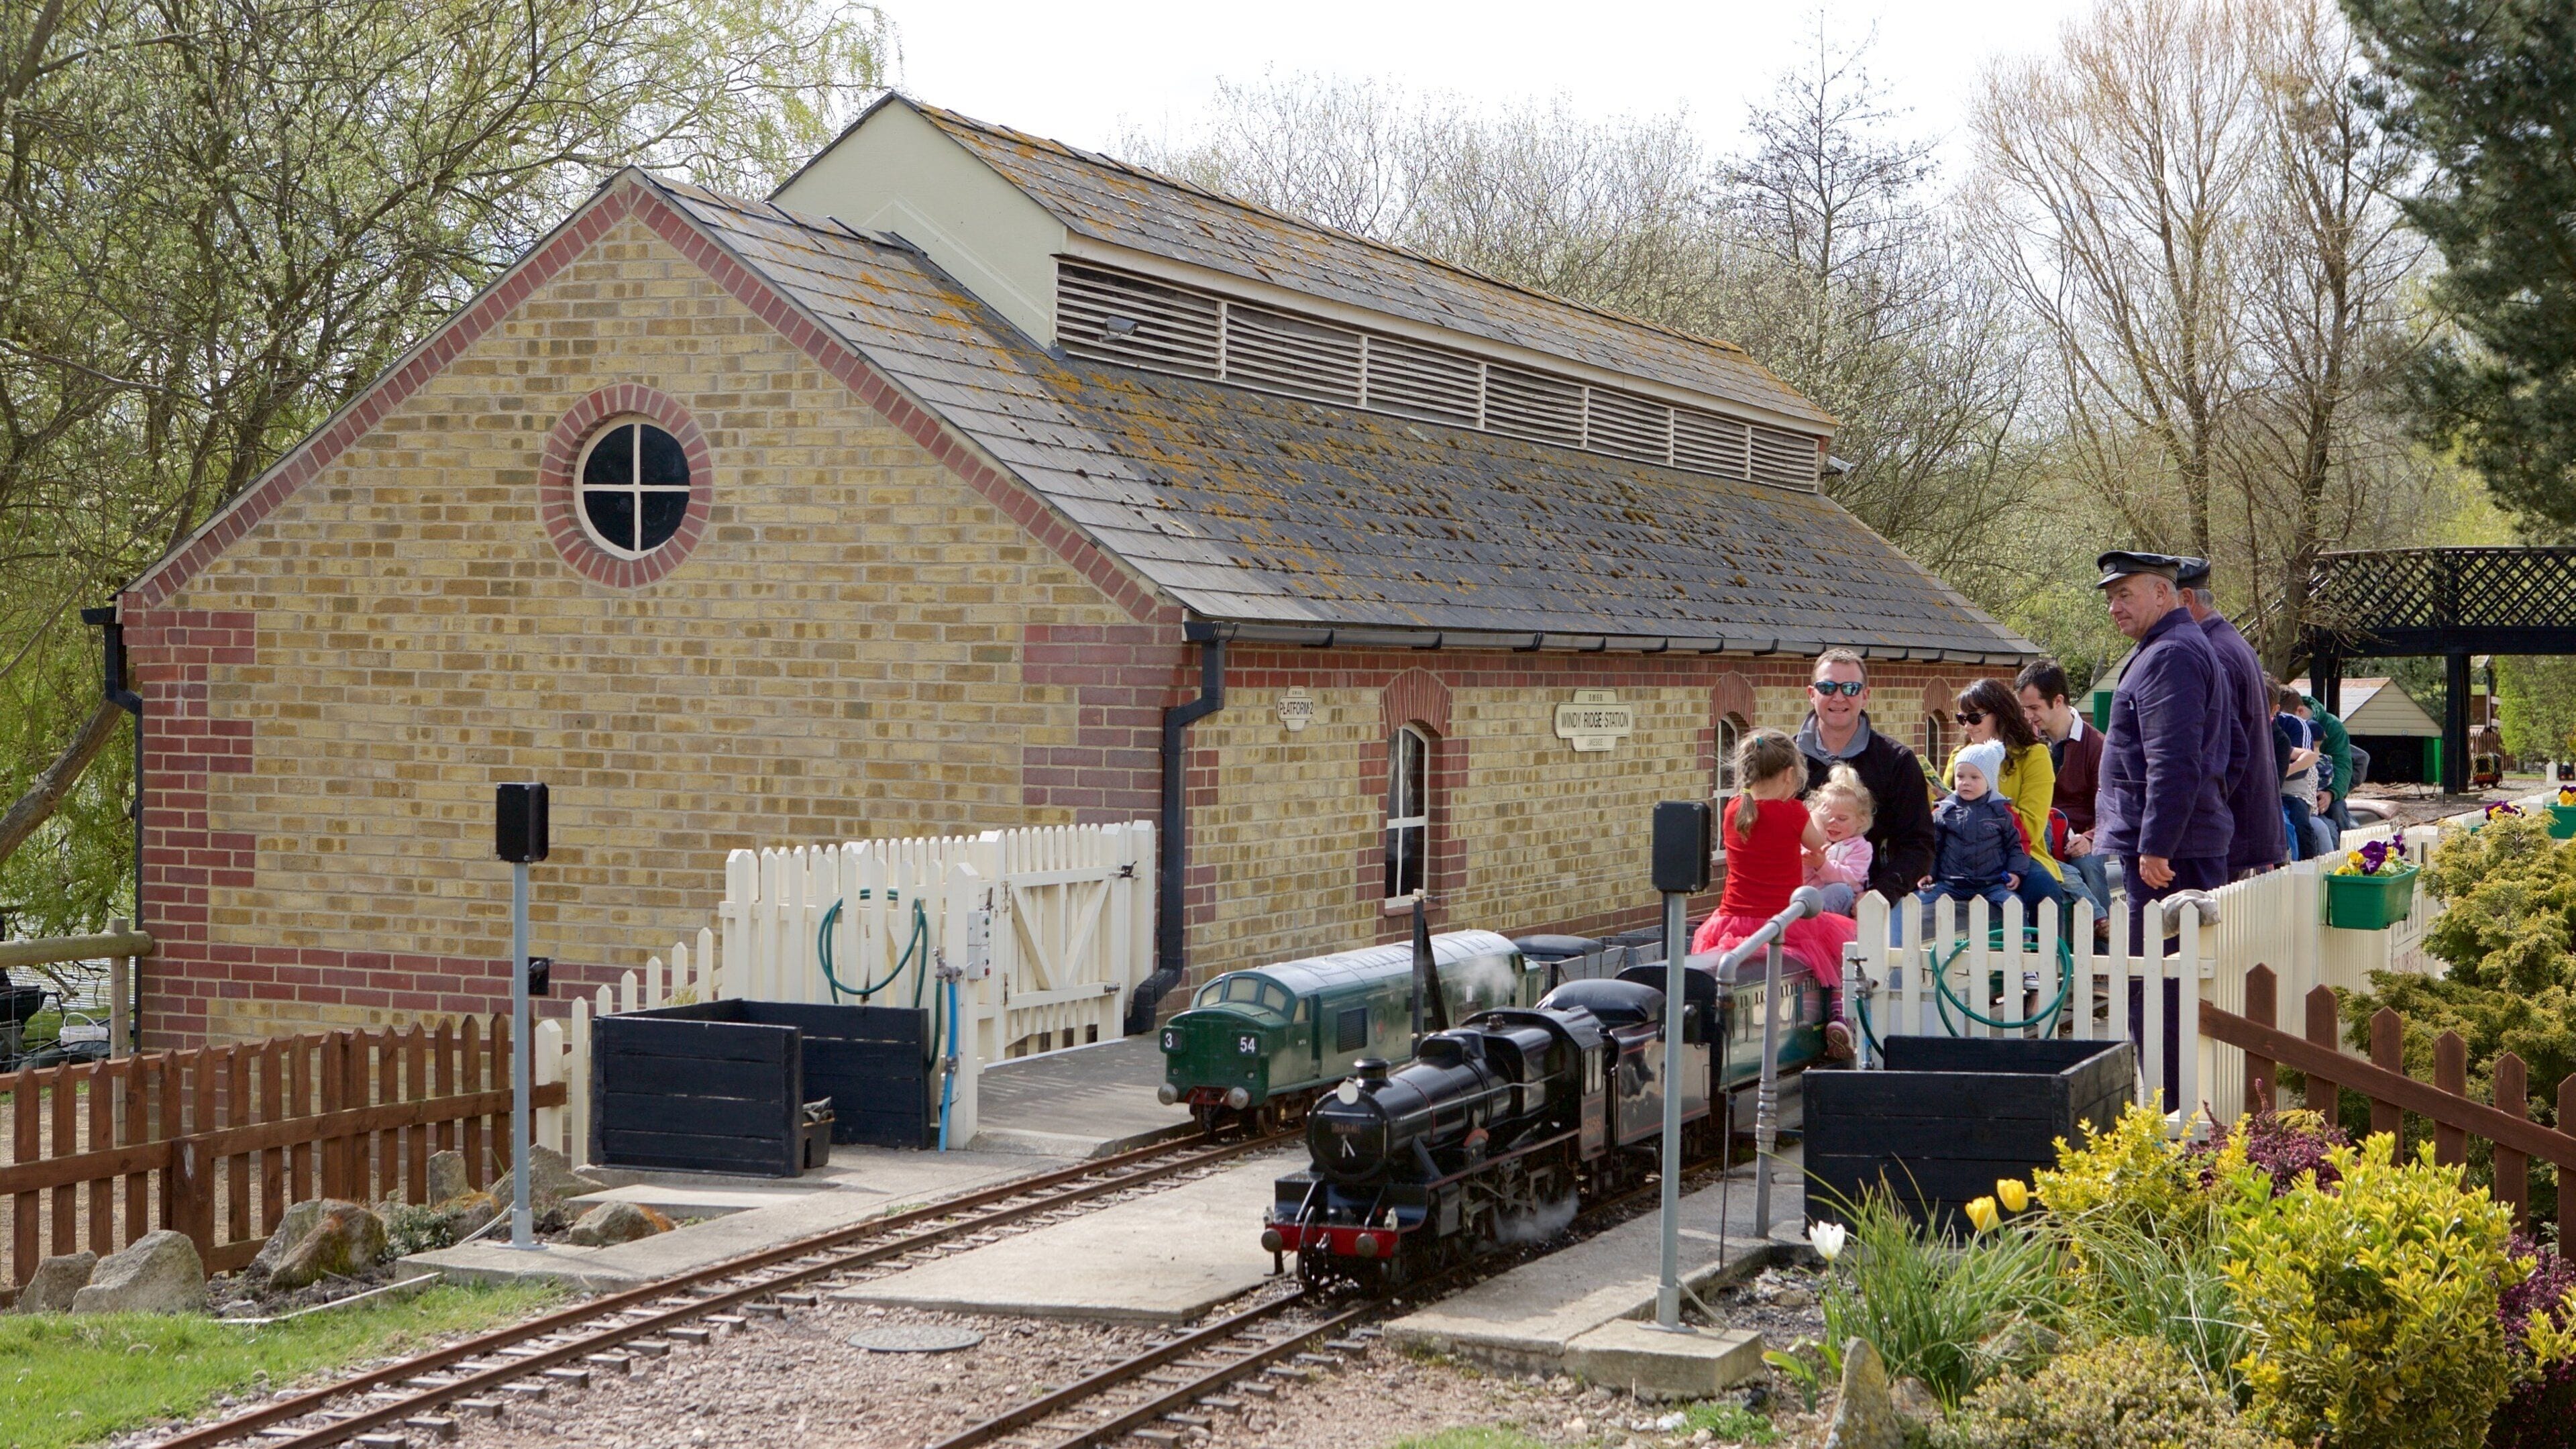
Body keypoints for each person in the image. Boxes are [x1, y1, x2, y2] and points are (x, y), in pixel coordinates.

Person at [1693, 728, 1863, 1058]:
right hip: (1781, 918)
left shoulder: (1733, 809)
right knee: (1836, 954)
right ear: (1789, 775)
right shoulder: (1793, 812)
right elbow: (1818, 844)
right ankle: (1838, 1015)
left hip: (1732, 920)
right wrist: (1816, 817)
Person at [2092, 551, 2234, 932]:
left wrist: (2158, 844)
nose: (2114, 608)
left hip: (2170, 856)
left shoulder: (2170, 653)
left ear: (2160, 593)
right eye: (2110, 599)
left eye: (2124, 595)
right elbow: (2232, 749)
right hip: (2180, 842)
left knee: (2164, 965)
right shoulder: (2169, 646)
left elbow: (2173, 759)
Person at [1794, 647, 1937, 904]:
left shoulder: (1897, 762)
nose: (1839, 697)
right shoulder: (1785, 761)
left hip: (1872, 904)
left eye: (1851, 688)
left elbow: (1918, 845)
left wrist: (1880, 894)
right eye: (1827, 687)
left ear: (1865, 696)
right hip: (1793, 903)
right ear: (1811, 694)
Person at [2176, 559, 2285, 876]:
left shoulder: (2212, 652)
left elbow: (2223, 751)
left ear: (2186, 600)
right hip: (2242, 826)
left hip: (2225, 832)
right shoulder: (2230, 641)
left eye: (2164, 599)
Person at [1944, 678, 2065, 918]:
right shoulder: (1960, 755)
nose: (1967, 726)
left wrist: (1980, 811)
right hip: (1960, 851)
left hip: (2015, 853)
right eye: (1961, 719)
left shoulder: (2034, 756)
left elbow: (2031, 827)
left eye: (1974, 718)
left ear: (2000, 714)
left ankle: (2047, 945)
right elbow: (1940, 812)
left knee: (2045, 893)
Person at [2016, 658, 2112, 924]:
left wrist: (2090, 838)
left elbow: (2110, 805)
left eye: (2034, 708)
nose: (2028, 716)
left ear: (2058, 701)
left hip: (2077, 839)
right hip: (2034, 837)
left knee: (2088, 864)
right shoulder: (2025, 744)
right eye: (2024, 709)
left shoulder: (2097, 746)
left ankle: (2103, 941)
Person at [1915, 741, 2035, 934]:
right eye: (1960, 776)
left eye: (1974, 777)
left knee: (2014, 905)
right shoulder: (1944, 811)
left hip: (1991, 884)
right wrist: (1928, 872)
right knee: (1914, 902)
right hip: (1949, 883)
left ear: (1988, 780)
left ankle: (2023, 943)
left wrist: (2016, 871)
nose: (1966, 782)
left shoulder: (2002, 812)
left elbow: (2018, 844)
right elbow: (1932, 846)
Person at [1805, 766, 1876, 917]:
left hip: (1841, 906)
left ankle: (1807, 916)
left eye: (1842, 819)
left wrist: (1822, 865)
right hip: (1810, 894)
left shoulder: (1861, 847)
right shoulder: (1813, 838)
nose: (1832, 822)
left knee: (1841, 890)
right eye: (1826, 816)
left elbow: (1850, 877)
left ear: (1861, 820)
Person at [2273, 680, 2324, 861]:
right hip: (2261, 789)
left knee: (2300, 825)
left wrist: (2280, 773)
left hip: (2292, 791)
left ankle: (2307, 863)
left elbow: (2307, 760)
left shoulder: (2292, 725)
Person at [2300, 690, 2357, 838]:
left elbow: (2342, 765)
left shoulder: (2332, 726)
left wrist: (2331, 793)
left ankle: (2344, 846)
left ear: (2300, 711)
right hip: (2298, 791)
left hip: (2325, 789)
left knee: (2337, 810)